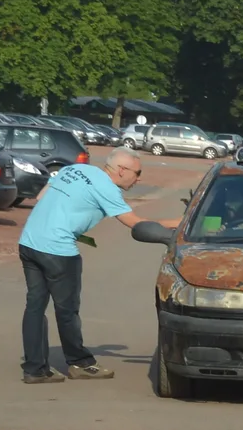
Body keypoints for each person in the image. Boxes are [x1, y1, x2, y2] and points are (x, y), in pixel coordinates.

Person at [17, 148, 148, 384]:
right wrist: (179, 225)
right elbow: (137, 225)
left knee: (35, 305)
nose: (139, 178)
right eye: (137, 173)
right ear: (121, 170)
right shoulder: (107, 188)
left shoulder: (75, 169)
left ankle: (35, 368)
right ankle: (80, 363)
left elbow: (41, 197)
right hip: (57, 250)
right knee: (67, 310)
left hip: (29, 242)